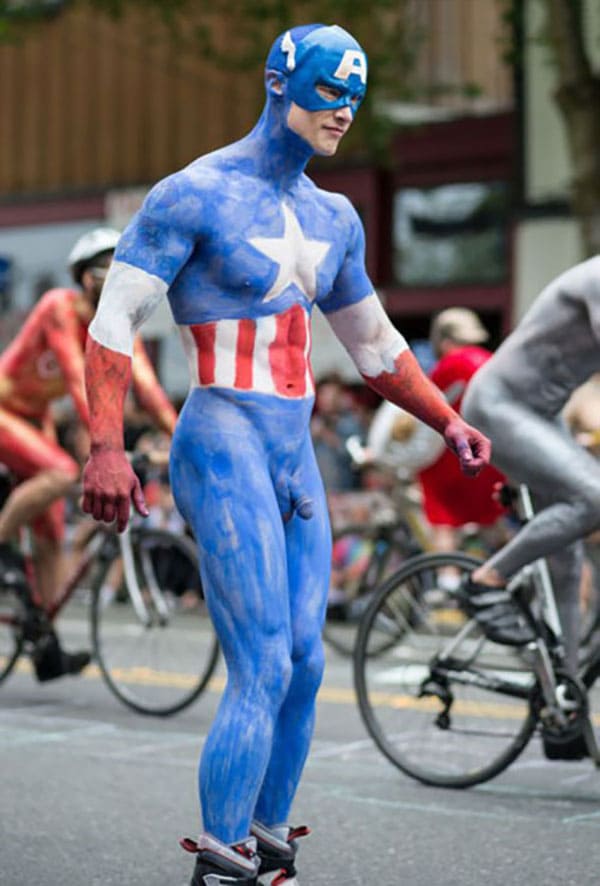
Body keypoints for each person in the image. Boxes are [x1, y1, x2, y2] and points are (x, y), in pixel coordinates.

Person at [80, 23, 490, 886]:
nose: (344, 110)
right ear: (278, 82)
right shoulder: (193, 194)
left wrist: (446, 418)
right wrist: (105, 448)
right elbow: (113, 326)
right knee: (263, 659)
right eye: (330, 89)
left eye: (356, 95)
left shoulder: (334, 216)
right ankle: (221, 854)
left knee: (305, 663)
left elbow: (375, 347)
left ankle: (265, 840)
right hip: (222, 437)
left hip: (293, 449)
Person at [0, 228, 177, 682]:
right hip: (5, 409)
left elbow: (148, 390)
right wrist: (108, 445)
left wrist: (180, 440)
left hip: (35, 418)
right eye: (110, 272)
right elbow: (83, 382)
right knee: (62, 472)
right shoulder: (58, 307)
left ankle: (46, 645)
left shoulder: (120, 323)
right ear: (85, 279)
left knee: (50, 534)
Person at [461, 257, 600, 727]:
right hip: (499, 406)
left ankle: (564, 703)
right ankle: (486, 580)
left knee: (568, 563)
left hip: (541, 416)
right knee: (594, 498)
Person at [417, 308, 507, 558]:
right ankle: (516, 568)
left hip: (452, 462)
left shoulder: (447, 366)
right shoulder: (491, 362)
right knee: (491, 522)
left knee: (443, 523)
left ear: (444, 340)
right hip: (490, 458)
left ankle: (447, 576)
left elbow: (421, 410)